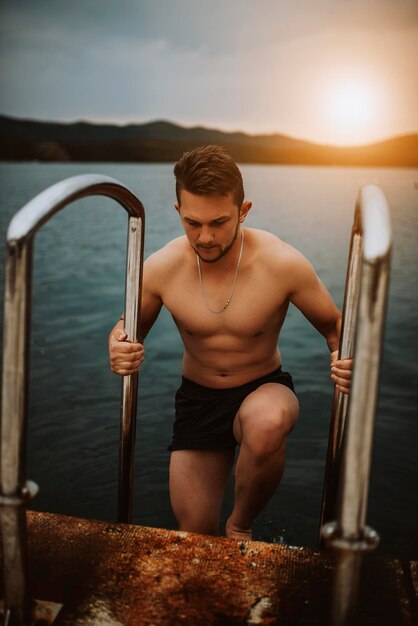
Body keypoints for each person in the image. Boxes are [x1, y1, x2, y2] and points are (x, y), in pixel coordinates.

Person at [109, 145, 352, 540]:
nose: (204, 237)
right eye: (192, 223)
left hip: (263, 387)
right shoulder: (161, 267)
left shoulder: (281, 262)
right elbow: (127, 327)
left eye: (219, 222)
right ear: (178, 212)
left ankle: (240, 525)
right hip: (198, 400)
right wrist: (117, 345)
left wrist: (344, 354)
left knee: (267, 422)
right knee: (195, 534)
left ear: (243, 210)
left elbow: (334, 325)